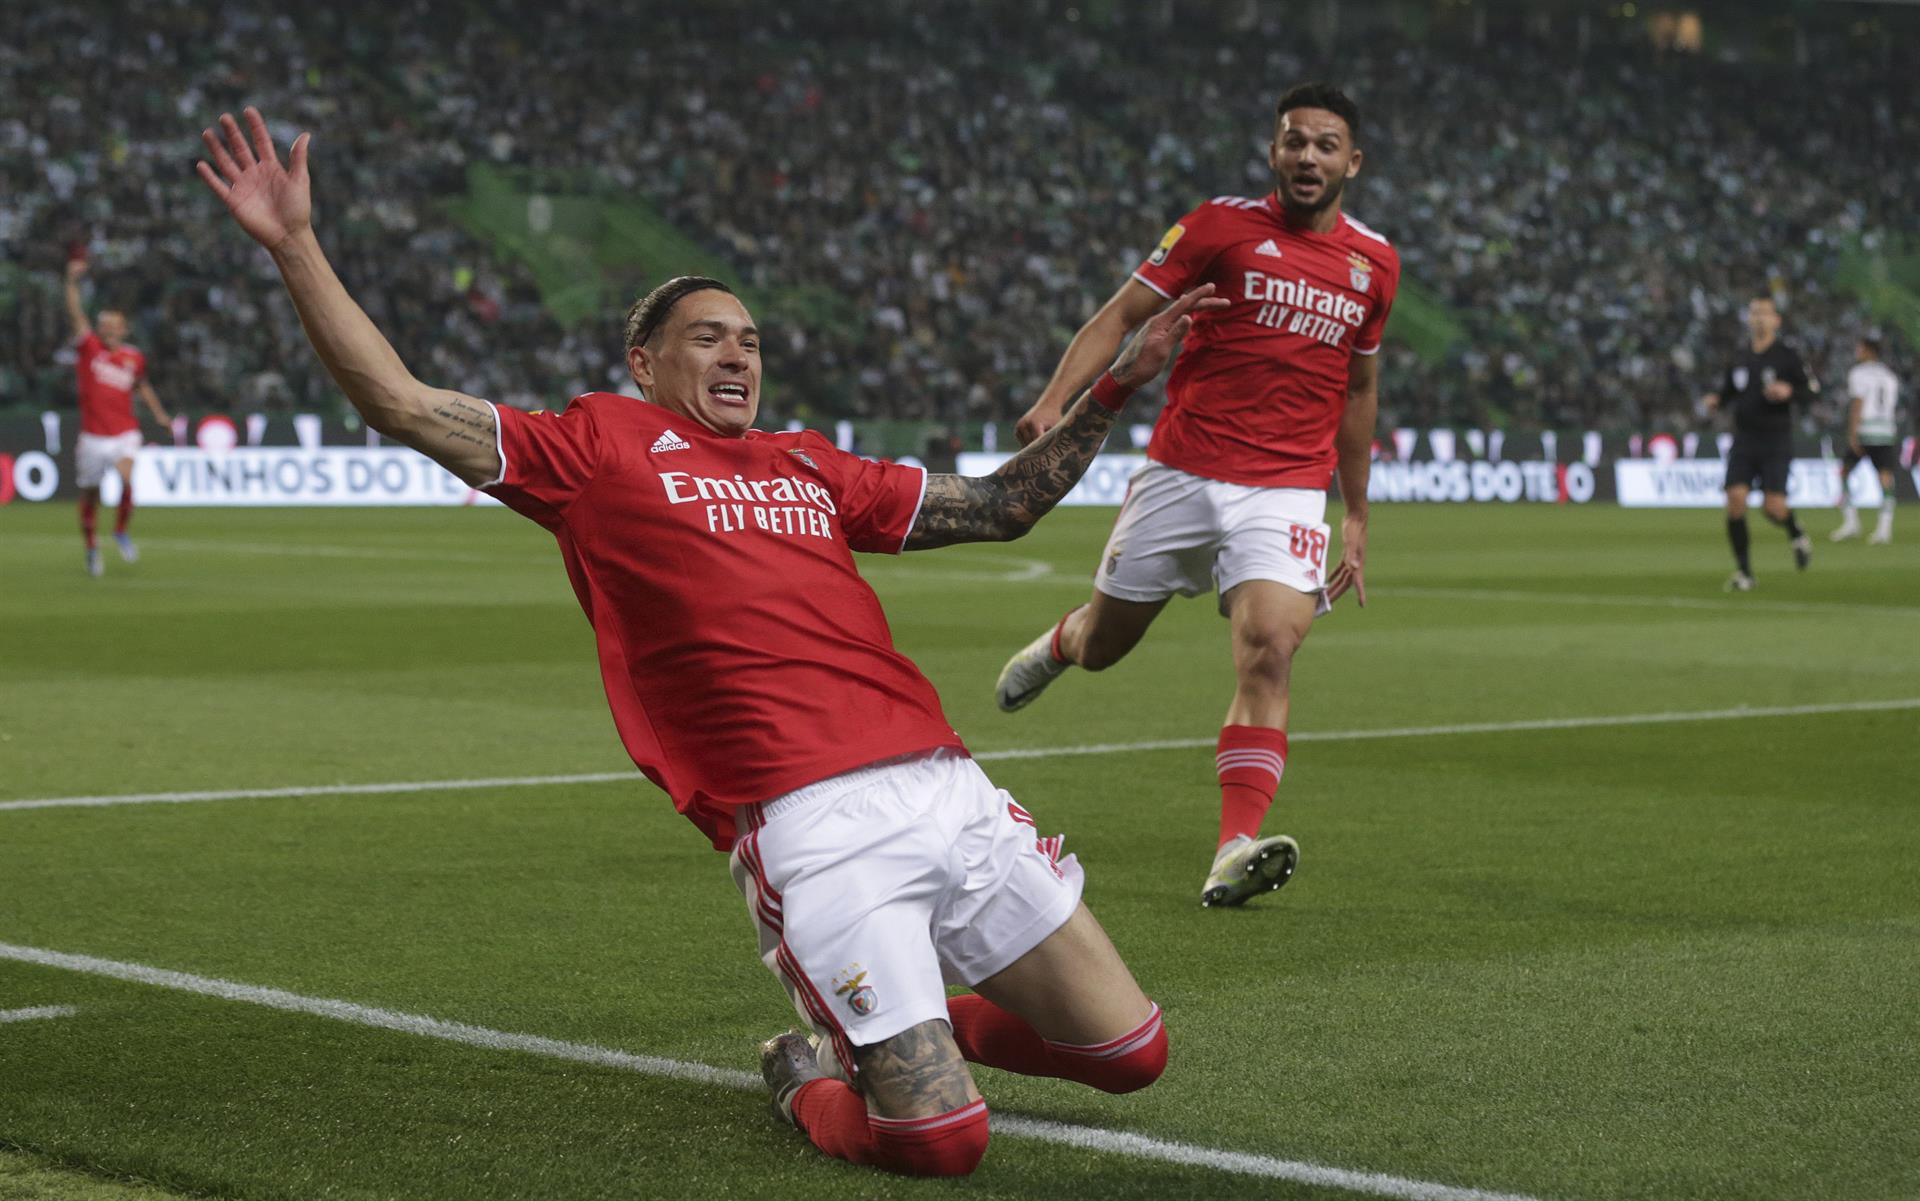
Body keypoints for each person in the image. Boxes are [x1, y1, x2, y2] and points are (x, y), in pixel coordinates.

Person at [196, 107, 1224, 1178]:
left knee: (1131, 1053)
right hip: (812, 830)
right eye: (708, 335)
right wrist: (294, 243)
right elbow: (401, 402)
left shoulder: (808, 466)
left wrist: (1115, 385)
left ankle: (919, 1030)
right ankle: (806, 1073)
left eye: (751, 339)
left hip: (950, 790)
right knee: (940, 1140)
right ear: (644, 362)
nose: (739, 351)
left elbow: (1003, 505)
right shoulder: (597, 447)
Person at [994, 82, 1398, 909]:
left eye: (1326, 145)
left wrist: (1355, 509)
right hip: (1185, 471)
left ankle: (1233, 846)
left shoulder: (1374, 264)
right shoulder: (1217, 226)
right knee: (1109, 643)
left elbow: (1359, 391)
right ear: (1273, 152)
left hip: (1287, 488)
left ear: (1352, 162)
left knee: (1270, 646)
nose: (1308, 157)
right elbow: (1120, 315)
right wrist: (1055, 399)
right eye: (1294, 141)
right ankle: (1064, 641)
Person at [63, 258, 171, 577]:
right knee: (91, 496)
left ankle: (120, 530)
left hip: (124, 432)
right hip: (93, 437)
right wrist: (70, 282)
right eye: (104, 325)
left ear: (124, 329)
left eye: (114, 325)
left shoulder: (134, 358)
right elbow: (74, 314)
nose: (108, 329)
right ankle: (92, 546)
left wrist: (160, 415)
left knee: (126, 477)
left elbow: (142, 387)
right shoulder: (89, 348)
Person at [1702, 295, 1815, 591]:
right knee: (1735, 499)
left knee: (1773, 508)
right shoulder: (1740, 356)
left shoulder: (1788, 356)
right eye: (1754, 313)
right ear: (1749, 319)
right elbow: (1730, 391)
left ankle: (1795, 532)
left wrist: (1789, 390)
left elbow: (1811, 391)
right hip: (1744, 439)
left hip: (1776, 439)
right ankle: (1745, 573)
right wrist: (1717, 400)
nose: (1759, 318)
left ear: (1776, 320)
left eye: (1765, 313)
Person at [1830, 337, 1901, 545]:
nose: (1856, 351)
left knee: (1843, 472)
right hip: (1886, 431)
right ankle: (1884, 529)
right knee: (1885, 478)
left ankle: (1852, 522)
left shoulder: (1858, 373)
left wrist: (1853, 434)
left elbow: (1858, 404)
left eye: (1860, 348)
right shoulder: (1889, 375)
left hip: (1866, 430)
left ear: (1869, 351)